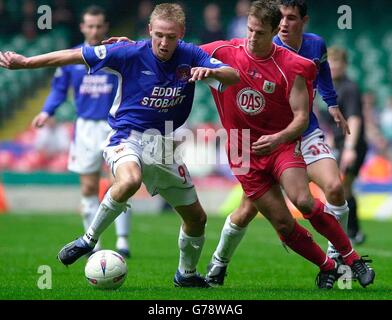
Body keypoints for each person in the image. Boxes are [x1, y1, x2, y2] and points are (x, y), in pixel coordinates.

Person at [0, 3, 240, 287]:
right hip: (128, 137)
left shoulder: (191, 54)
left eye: (171, 37)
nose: (164, 43)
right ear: (150, 30)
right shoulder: (129, 52)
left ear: (181, 34)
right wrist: (27, 62)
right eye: (159, 35)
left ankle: (185, 275)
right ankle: (89, 240)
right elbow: (73, 56)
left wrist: (210, 72)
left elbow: (233, 75)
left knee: (197, 219)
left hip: (164, 145)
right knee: (130, 180)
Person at [199, 0, 374, 289]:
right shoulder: (227, 51)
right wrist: (137, 47)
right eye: (250, 30)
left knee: (330, 189)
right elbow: (180, 52)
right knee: (248, 213)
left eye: (291, 19)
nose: (284, 25)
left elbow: (313, 96)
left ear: (303, 21)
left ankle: (345, 259)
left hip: (292, 135)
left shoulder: (308, 53)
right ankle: (217, 264)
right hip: (244, 145)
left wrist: (331, 104)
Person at [31, 6, 132, 258]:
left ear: (105, 27)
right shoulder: (72, 58)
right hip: (85, 128)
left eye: (99, 26)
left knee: (120, 183)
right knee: (88, 187)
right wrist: (47, 111)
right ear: (83, 27)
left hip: (114, 127)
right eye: (90, 26)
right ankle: (92, 243)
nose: (95, 30)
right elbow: (58, 89)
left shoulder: (116, 55)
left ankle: (123, 242)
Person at [325, 46, 368, 245]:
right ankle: (354, 232)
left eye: (337, 62)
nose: (333, 66)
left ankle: (349, 232)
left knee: (342, 188)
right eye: (331, 62)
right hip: (340, 143)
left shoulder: (349, 88)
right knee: (345, 189)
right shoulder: (331, 87)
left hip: (353, 145)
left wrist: (350, 148)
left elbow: (355, 119)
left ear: (344, 65)